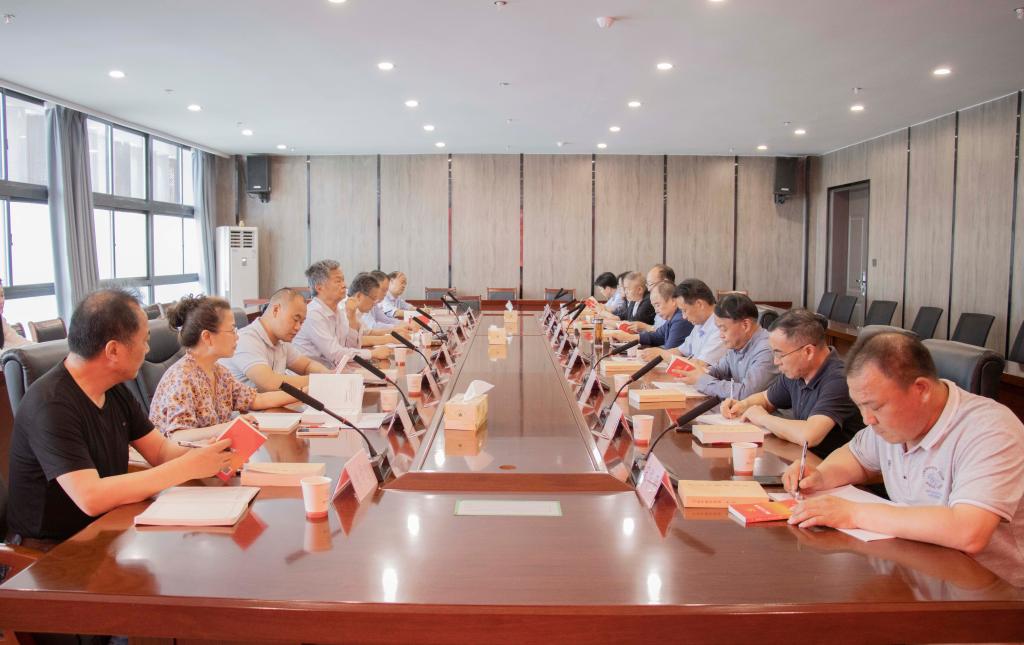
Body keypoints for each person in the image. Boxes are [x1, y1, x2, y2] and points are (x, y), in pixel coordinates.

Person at [784, 331, 1024, 586]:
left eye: (875, 407)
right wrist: (820, 476)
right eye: (860, 406)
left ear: (921, 389)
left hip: (994, 592)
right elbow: (856, 456)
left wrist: (853, 513)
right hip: (919, 572)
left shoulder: (990, 430)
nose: (867, 419)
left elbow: (969, 531)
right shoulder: (896, 420)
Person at [6, 289, 234, 545]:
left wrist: (209, 452)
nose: (147, 349)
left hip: (108, 526)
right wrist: (187, 467)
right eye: (144, 341)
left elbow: (160, 451)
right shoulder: (50, 404)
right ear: (113, 350)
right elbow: (90, 497)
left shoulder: (113, 390)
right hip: (53, 549)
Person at [722, 308, 863, 458]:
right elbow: (766, 399)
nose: (776, 362)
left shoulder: (839, 380)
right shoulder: (797, 372)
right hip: (803, 459)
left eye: (780, 354)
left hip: (831, 467)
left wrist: (763, 418)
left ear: (808, 352)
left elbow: (810, 435)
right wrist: (742, 405)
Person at [149, 295, 297, 436]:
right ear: (207, 337)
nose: (237, 336)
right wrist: (230, 426)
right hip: (183, 453)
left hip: (211, 449)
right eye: (232, 330)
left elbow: (257, 400)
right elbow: (178, 436)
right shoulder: (182, 378)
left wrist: (304, 393)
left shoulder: (220, 372)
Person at [220, 287, 330, 391]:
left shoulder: (281, 341)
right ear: (276, 310)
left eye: (301, 322)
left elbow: (306, 366)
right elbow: (270, 383)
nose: (298, 327)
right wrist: (320, 380)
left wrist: (328, 374)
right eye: (295, 319)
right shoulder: (246, 339)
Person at [674, 293, 778, 400]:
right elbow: (718, 371)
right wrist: (698, 373)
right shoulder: (737, 344)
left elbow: (746, 393)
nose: (721, 335)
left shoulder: (767, 349)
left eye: (723, 329)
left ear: (745, 325)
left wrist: (702, 380)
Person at [293, 260, 390, 369]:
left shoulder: (338, 311)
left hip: (334, 372)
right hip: (312, 377)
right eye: (338, 281)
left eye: (343, 280)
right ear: (319, 287)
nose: (344, 285)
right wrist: (372, 353)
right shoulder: (313, 314)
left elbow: (351, 347)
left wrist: (351, 316)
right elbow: (335, 354)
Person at [641, 279, 726, 366]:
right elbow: (681, 350)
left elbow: (701, 365)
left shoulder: (721, 326)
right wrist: (656, 353)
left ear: (699, 304)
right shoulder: (700, 321)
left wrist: (663, 355)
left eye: (684, 310)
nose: (684, 317)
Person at [612, 281, 692, 350]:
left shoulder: (680, 319)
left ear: (673, 301)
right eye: (654, 306)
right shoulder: (672, 318)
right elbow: (657, 336)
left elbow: (670, 351)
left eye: (658, 305)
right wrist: (628, 337)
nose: (656, 311)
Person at [632, 264, 676, 332]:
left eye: (651, 284)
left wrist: (646, 327)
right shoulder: (657, 302)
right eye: (647, 285)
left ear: (665, 282)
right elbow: (658, 332)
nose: (648, 289)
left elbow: (664, 333)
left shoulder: (676, 304)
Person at [0, 278, 31, 349]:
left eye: (2, 295)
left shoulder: (1, 321)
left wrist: (43, 349)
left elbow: (20, 342)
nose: (1, 301)